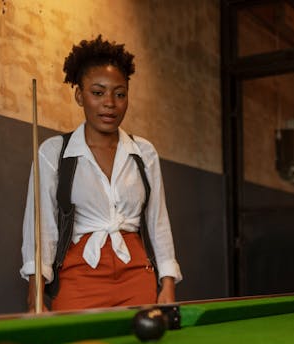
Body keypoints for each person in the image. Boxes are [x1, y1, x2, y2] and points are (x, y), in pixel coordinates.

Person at [20, 35, 181, 311]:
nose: (110, 103)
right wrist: (35, 291)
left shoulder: (144, 153)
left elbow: (158, 222)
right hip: (78, 277)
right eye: (98, 92)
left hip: (136, 276)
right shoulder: (54, 153)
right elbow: (40, 229)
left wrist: (167, 283)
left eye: (119, 94)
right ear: (79, 95)